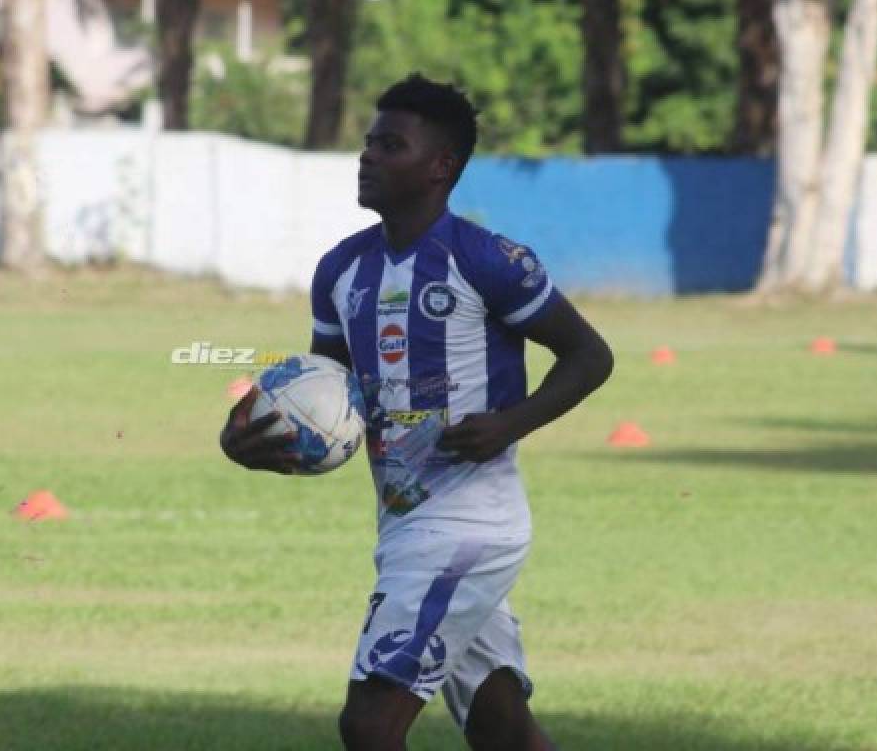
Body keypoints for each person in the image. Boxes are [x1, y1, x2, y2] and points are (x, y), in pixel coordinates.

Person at [220, 73, 613, 750]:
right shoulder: (340, 270)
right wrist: (256, 436)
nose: (368, 156)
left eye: (390, 145)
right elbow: (327, 396)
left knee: (370, 724)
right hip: (405, 525)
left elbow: (589, 355)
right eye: (369, 143)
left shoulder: (487, 260)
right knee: (501, 727)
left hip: (467, 527)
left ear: (440, 167)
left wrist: (508, 424)